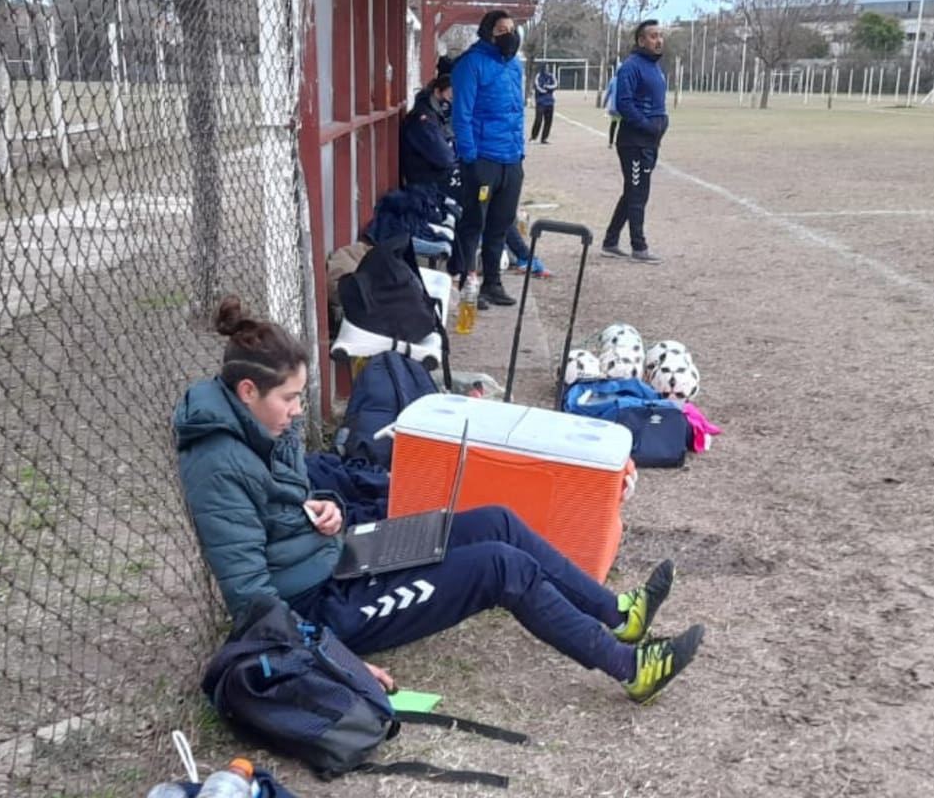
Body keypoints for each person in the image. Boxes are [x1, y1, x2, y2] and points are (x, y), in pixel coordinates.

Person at [175, 296, 706, 705]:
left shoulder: (264, 427)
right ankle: (632, 668)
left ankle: (617, 613)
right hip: (323, 608)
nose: (296, 411)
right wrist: (335, 660)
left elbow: (291, 499)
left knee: (498, 520)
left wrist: (322, 507)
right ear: (248, 392)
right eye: (289, 399)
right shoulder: (216, 464)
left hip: (344, 557)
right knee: (500, 568)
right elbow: (253, 601)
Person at [450, 10, 525, 310]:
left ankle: (493, 282)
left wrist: (519, 153)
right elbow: (462, 115)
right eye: (503, 29)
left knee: (501, 224)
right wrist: (471, 157)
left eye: (512, 28)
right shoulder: (471, 64)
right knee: (474, 224)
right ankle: (470, 283)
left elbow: (517, 112)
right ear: (489, 33)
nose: (510, 34)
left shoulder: (515, 67)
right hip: (483, 160)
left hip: (511, 160)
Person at [601, 20, 668, 265]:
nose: (658, 40)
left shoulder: (656, 67)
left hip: (650, 142)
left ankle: (610, 241)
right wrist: (647, 125)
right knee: (638, 193)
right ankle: (639, 247)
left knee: (633, 192)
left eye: (661, 35)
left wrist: (662, 125)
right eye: (653, 36)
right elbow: (625, 103)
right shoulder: (631, 67)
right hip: (634, 142)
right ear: (641, 40)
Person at [399, 74, 460, 199]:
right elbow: (444, 157)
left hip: (432, 178)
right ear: (437, 92)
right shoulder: (423, 119)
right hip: (425, 183)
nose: (452, 102)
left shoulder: (437, 116)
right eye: (450, 97)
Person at [529, 65, 557, 144]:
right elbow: (538, 87)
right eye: (546, 67)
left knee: (548, 121)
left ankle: (544, 138)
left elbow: (555, 85)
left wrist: (547, 87)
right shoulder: (538, 76)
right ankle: (533, 137)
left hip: (550, 102)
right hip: (540, 102)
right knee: (538, 120)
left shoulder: (551, 76)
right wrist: (544, 90)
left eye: (548, 67)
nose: (547, 69)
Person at [604, 66, 621, 149]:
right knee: (623, 126)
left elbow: (608, 93)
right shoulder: (626, 80)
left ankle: (610, 142)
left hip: (614, 108)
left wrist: (604, 103)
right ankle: (620, 142)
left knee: (613, 124)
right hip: (623, 108)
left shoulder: (612, 80)